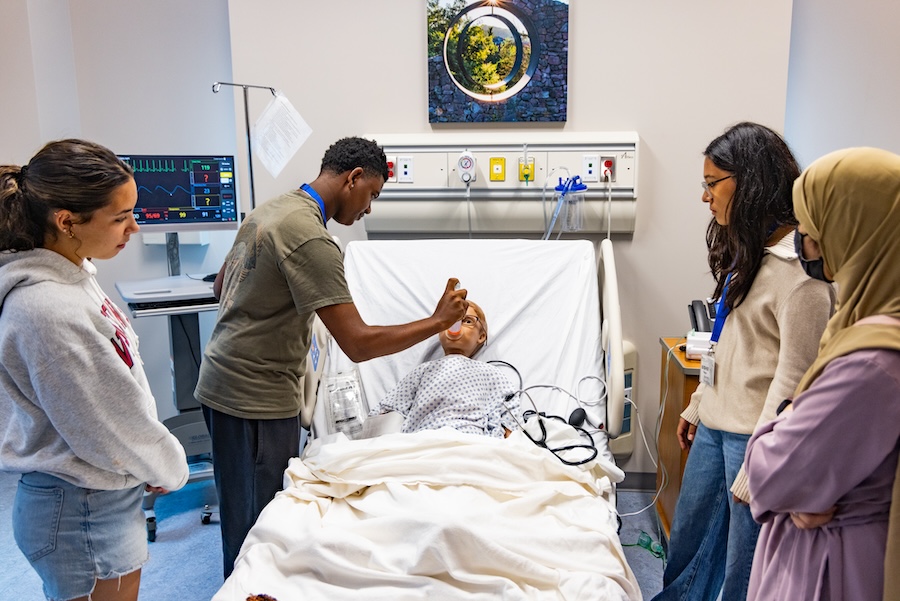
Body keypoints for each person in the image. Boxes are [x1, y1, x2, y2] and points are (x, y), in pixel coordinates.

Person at [193, 136, 468, 579]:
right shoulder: (312, 240)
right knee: (257, 533)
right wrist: (436, 321)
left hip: (220, 383)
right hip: (254, 399)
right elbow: (357, 344)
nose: (369, 209)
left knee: (241, 516)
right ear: (353, 178)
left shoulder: (272, 210)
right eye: (372, 195)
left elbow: (220, 284)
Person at [651, 122, 835, 601]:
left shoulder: (802, 275)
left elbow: (795, 381)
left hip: (753, 440)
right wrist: (698, 406)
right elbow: (730, 343)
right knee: (688, 550)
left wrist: (761, 463)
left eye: (713, 184)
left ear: (750, 181)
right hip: (715, 427)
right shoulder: (751, 253)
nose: (705, 197)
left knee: (739, 572)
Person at [0, 139, 190, 601]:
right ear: (67, 222)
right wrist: (169, 467)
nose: (136, 227)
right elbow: (105, 421)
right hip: (79, 505)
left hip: (101, 489)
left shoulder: (74, 274)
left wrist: (145, 462)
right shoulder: (46, 307)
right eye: (121, 217)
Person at [744, 147, 900, 601]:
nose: (807, 248)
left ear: (857, 234)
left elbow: (770, 475)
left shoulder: (872, 363)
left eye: (813, 233)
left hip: (834, 568)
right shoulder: (858, 326)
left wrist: (783, 427)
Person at [368, 300, 519, 438]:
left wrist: (505, 443)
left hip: (471, 440)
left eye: (467, 321)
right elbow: (388, 408)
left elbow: (510, 410)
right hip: (425, 439)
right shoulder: (423, 371)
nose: (456, 326)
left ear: (481, 336)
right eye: (451, 321)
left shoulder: (490, 373)